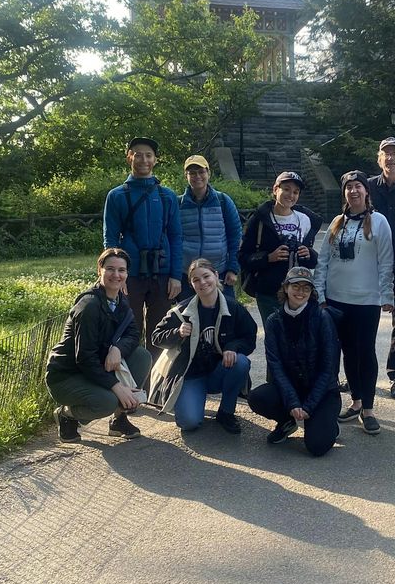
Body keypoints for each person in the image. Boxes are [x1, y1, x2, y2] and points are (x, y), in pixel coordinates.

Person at [314, 170, 394, 435]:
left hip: (366, 300)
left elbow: (386, 261)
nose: (353, 191)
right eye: (348, 187)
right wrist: (320, 294)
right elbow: (323, 260)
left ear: (366, 191)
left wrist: (387, 295)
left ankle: (368, 409)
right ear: (344, 193)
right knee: (347, 351)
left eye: (358, 186)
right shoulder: (337, 222)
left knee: (365, 352)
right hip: (336, 300)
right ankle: (356, 401)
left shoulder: (379, 222)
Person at [46, 248, 154, 444]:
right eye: (110, 269)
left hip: (95, 367)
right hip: (67, 375)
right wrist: (117, 387)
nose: (116, 275)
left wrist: (117, 349)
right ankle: (66, 414)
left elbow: (133, 334)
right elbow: (84, 359)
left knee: (142, 356)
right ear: (99, 270)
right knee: (107, 402)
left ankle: (118, 419)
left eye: (121, 270)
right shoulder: (89, 306)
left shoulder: (120, 300)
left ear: (127, 274)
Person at [149, 259, 257, 434]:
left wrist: (232, 346)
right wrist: (177, 332)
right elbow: (156, 337)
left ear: (216, 275)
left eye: (206, 276)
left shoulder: (234, 307)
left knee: (241, 362)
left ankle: (226, 412)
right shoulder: (181, 311)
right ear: (191, 284)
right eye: (196, 280)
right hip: (191, 375)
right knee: (189, 423)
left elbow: (249, 338)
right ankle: (191, 400)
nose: (202, 282)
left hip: (219, 371)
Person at [247, 266, 342, 456]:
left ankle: (326, 422)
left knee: (317, 447)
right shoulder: (274, 321)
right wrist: (292, 403)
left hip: (322, 391)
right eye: (296, 286)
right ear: (285, 288)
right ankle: (287, 421)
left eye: (306, 288)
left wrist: (308, 406)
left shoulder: (322, 318)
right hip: (291, 388)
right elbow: (276, 366)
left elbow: (328, 369)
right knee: (257, 397)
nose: (300, 292)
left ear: (312, 292)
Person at [102, 136, 183, 358]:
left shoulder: (167, 196)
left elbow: (176, 236)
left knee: (160, 333)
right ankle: (131, 377)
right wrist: (117, 276)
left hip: (162, 273)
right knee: (129, 330)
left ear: (155, 160)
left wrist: (176, 276)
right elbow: (110, 239)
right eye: (138, 155)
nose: (144, 160)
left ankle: (155, 378)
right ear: (129, 157)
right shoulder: (117, 196)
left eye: (149, 155)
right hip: (131, 275)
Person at [238, 170, 322, 323]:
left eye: (296, 192)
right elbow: (243, 257)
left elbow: (313, 261)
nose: (291, 195)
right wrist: (268, 257)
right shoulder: (259, 220)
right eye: (287, 189)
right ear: (275, 189)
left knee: (298, 334)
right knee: (274, 333)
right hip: (269, 291)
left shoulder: (306, 220)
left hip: (298, 292)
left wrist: (309, 254)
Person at [369, 137, 395, 399]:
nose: (391, 158)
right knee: (363, 319)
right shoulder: (367, 186)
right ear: (379, 159)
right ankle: (360, 373)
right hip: (370, 262)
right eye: (386, 153)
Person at [178, 155, 242, 302]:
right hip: (187, 275)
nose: (197, 176)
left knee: (225, 313)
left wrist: (233, 268)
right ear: (186, 176)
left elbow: (235, 236)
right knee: (188, 315)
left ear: (209, 173)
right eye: (192, 173)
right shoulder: (177, 203)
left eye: (201, 171)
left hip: (220, 272)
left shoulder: (223, 201)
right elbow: (172, 238)